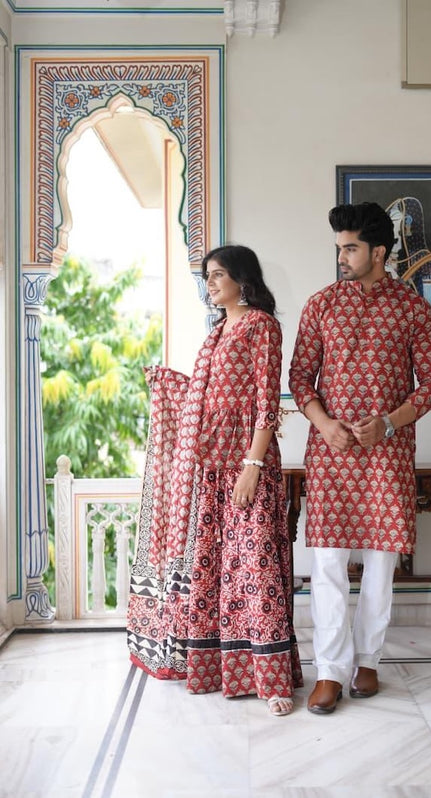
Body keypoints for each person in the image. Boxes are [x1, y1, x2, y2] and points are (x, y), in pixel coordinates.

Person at [127, 244, 303, 717]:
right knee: (214, 571)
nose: (210, 284)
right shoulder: (218, 331)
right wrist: (170, 387)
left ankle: (272, 681)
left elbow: (267, 402)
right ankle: (220, 671)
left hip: (245, 467)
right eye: (207, 277)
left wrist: (253, 465)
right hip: (210, 469)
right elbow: (209, 401)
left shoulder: (261, 326)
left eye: (218, 275)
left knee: (255, 572)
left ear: (242, 279)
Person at [289, 202, 431, 715]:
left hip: (388, 453)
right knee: (328, 564)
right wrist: (324, 423)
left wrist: (389, 423)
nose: (341, 257)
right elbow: (298, 380)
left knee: (380, 563)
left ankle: (368, 661)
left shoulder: (413, 310)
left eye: (350, 248)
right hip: (331, 453)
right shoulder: (321, 306)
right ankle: (329, 671)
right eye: (339, 248)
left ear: (379, 252)